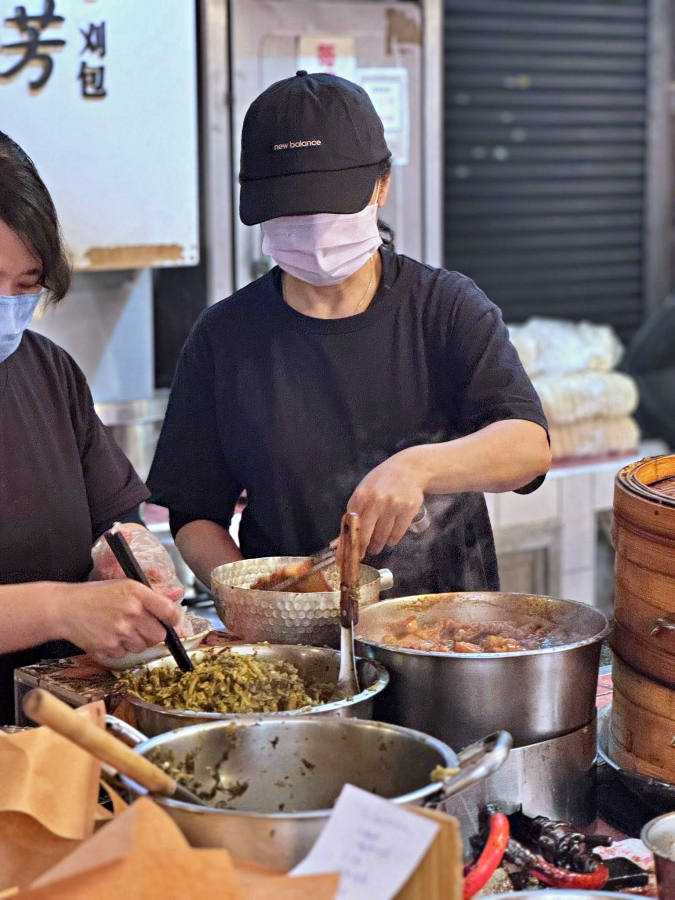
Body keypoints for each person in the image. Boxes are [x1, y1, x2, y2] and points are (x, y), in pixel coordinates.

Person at [148, 72, 551, 598]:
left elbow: (527, 447)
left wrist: (418, 467)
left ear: (381, 187)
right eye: (292, 207)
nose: (314, 226)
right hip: (291, 634)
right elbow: (195, 514)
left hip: (444, 624)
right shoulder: (224, 338)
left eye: (331, 203)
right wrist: (260, 602)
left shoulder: (444, 307)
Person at [0, 132, 182, 724]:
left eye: (26, 285)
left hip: (63, 729)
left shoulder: (48, 372)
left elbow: (115, 519)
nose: (7, 303)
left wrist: (129, 559)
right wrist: (59, 609)